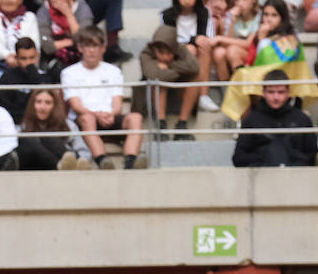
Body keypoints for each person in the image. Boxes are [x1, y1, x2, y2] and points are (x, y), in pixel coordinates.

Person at [60, 25, 145, 168]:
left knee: (136, 117)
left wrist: (111, 114)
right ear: (80, 48)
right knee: (87, 119)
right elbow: (77, 106)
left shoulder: (113, 71)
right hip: (85, 118)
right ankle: (102, 161)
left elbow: (117, 103)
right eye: (88, 45)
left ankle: (130, 163)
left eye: (96, 45)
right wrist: (97, 115)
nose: (92, 50)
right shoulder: (69, 72)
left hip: (109, 116)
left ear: (103, 48)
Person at [220, 0, 317, 122]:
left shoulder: (290, 39)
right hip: (263, 81)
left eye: (274, 15)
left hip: (282, 81)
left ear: (282, 18)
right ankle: (246, 123)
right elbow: (257, 63)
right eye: (266, 14)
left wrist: (262, 40)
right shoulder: (261, 34)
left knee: (248, 79)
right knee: (242, 78)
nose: (268, 19)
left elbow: (269, 65)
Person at [24, 0, 128, 63]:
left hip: (77, 11)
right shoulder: (44, 10)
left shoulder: (82, 8)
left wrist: (68, 13)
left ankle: (111, 47)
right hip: (56, 48)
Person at [232, 68, 316, 166]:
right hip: (262, 176)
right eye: (271, 92)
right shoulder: (250, 120)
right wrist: (266, 157)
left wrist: (289, 157)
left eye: (280, 92)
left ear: (288, 92)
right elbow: (239, 158)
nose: (276, 97)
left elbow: (312, 156)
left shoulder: (302, 119)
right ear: (263, 93)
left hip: (296, 175)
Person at [140, 26, 201, 138]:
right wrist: (180, 70)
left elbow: (195, 67)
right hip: (155, 91)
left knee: (195, 78)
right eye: (161, 53)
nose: (165, 57)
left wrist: (169, 66)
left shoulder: (180, 49)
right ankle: (161, 125)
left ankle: (182, 124)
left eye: (169, 53)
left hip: (178, 86)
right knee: (158, 82)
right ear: (154, 49)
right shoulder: (146, 53)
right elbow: (153, 75)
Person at [16, 84, 83, 169]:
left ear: (54, 106)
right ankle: (59, 166)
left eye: (48, 103)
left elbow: (83, 152)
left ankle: (69, 166)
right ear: (32, 104)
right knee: (29, 138)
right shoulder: (22, 127)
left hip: (68, 162)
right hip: (36, 168)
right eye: (38, 102)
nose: (42, 107)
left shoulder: (69, 125)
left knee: (48, 135)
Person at [212, 0, 260, 82]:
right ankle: (226, 90)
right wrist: (231, 22)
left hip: (254, 54)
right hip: (233, 54)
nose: (240, 3)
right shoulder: (232, 16)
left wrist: (219, 38)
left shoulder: (260, 17)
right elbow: (226, 45)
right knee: (219, 52)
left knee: (233, 50)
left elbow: (248, 44)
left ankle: (241, 86)